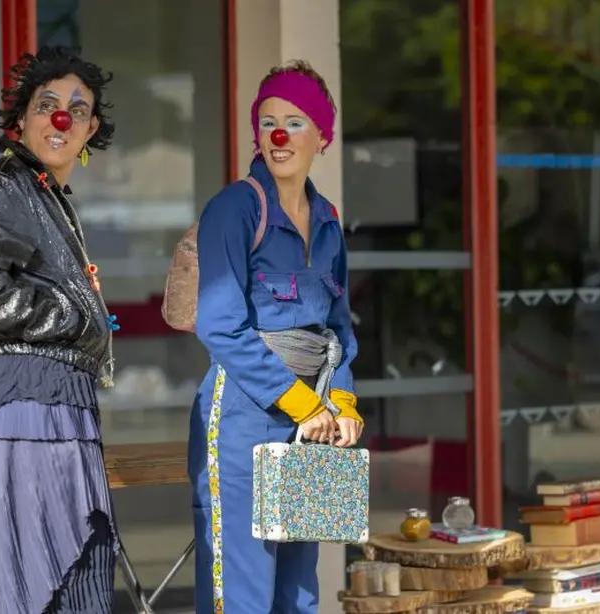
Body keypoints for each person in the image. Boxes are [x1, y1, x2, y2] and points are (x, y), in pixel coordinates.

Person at [0, 45, 119, 614]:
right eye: (47, 105)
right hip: (21, 410)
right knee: (30, 589)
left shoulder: (44, 194)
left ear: (90, 130)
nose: (62, 118)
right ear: (21, 118)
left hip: (55, 406)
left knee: (75, 583)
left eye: (77, 109)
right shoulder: (5, 186)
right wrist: (69, 315)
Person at [189, 60, 364, 613]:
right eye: (268, 123)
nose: (279, 136)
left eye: (294, 122)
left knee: (299, 592)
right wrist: (298, 402)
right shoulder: (234, 208)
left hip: (314, 417)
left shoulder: (329, 219)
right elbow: (218, 324)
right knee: (243, 593)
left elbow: (338, 329)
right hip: (244, 413)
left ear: (323, 136)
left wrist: (341, 401)